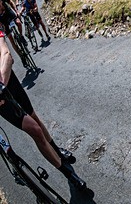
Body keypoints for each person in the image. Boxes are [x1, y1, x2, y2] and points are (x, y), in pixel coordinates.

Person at [0, 23, 92, 194]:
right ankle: (67, 174)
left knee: (34, 117)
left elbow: (6, 55)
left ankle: (57, 150)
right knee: (34, 130)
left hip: (7, 83)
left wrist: (2, 86)